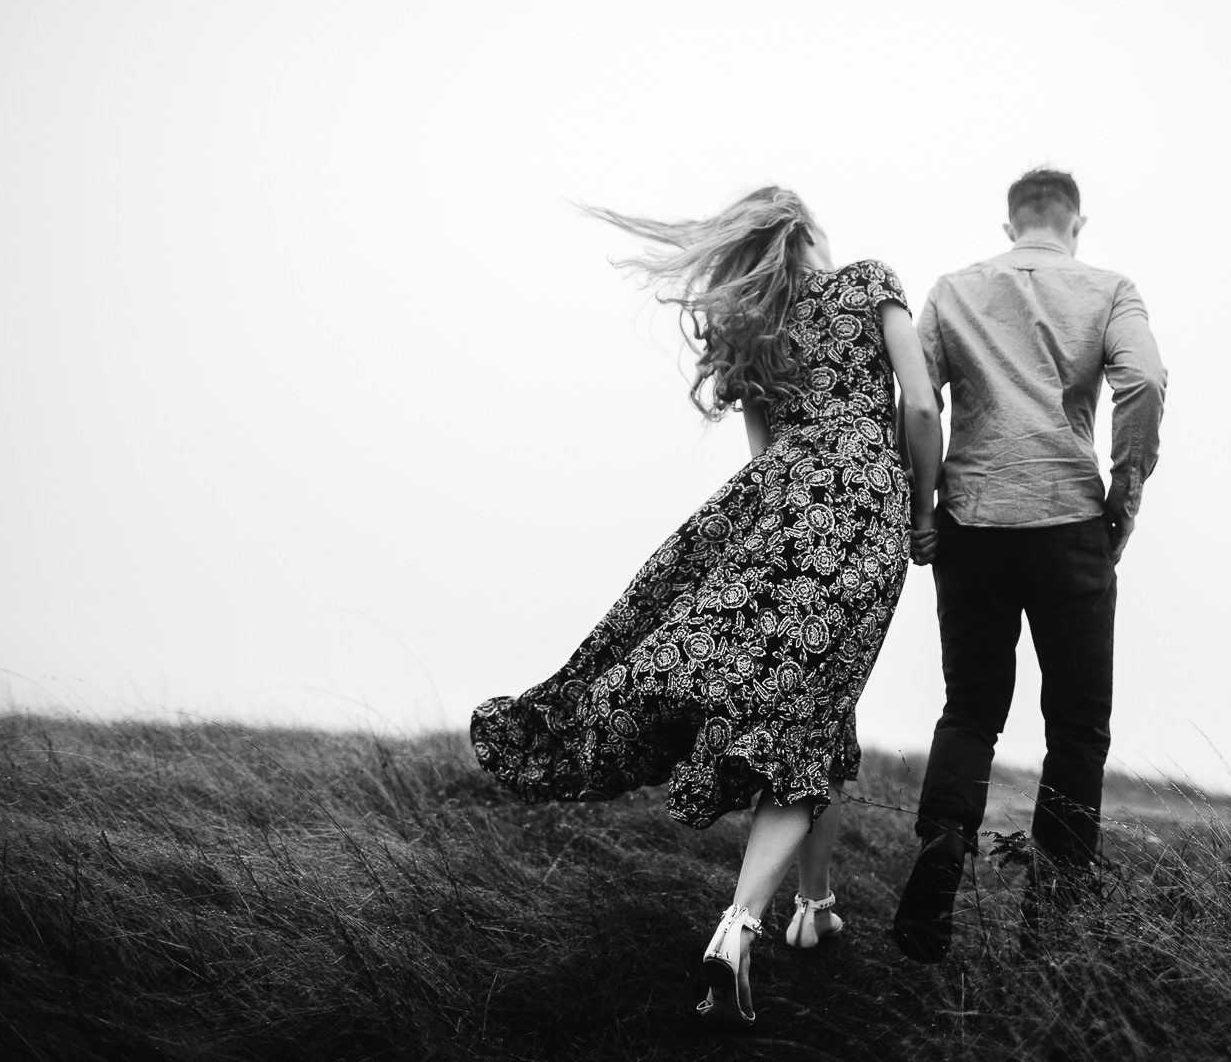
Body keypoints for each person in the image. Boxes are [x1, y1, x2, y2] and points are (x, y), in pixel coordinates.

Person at [470, 187, 941, 1024]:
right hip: (866, 512)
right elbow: (919, 405)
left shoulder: (750, 334)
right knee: (815, 710)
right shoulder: (870, 284)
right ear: (809, 234)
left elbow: (766, 457)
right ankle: (742, 924)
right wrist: (921, 513)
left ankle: (813, 905)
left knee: (803, 711)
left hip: (776, 511)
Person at [890, 168, 1166, 964]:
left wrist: (924, 503)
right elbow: (1143, 379)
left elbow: (913, 401)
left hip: (972, 524)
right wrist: (1128, 486)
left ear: (1010, 224)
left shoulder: (954, 289)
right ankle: (1050, 923)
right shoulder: (1111, 289)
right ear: (1077, 223)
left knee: (971, 709)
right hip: (1069, 523)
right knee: (1077, 725)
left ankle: (942, 853)